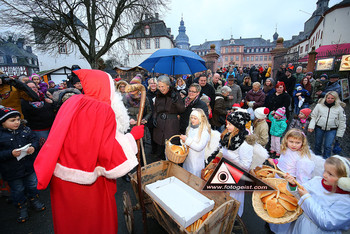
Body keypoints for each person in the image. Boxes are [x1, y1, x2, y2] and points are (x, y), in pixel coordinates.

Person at [34, 69, 144, 234]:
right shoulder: (101, 109)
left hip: (63, 177)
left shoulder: (74, 101)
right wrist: (132, 137)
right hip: (89, 184)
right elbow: (107, 152)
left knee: (70, 223)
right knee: (93, 223)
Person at [0, 107, 45, 223]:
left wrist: (33, 147)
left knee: (32, 185)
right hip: (12, 170)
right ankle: (22, 207)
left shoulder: (25, 130)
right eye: (12, 120)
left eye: (18, 119)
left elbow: (34, 139)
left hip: (28, 166)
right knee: (18, 190)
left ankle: (34, 200)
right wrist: (10, 153)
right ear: (2, 122)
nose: (17, 122)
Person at [284, 155, 350, 233]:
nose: (324, 175)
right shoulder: (317, 181)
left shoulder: (345, 201)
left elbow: (327, 223)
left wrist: (307, 197)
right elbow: (300, 195)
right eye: (325, 170)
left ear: (344, 180)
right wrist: (293, 185)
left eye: (330, 174)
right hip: (301, 223)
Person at [220, 111, 253, 217]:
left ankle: (235, 217)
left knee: (234, 197)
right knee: (226, 196)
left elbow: (246, 165)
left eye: (229, 124)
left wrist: (231, 162)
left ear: (237, 126)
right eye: (227, 123)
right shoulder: (230, 136)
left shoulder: (244, 144)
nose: (226, 125)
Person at [153, 75, 185, 159]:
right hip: (160, 124)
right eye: (159, 86)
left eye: (162, 86)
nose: (161, 88)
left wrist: (175, 101)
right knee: (160, 147)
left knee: (170, 147)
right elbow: (156, 109)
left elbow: (182, 109)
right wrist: (154, 117)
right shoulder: (158, 95)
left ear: (168, 85)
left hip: (171, 125)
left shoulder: (175, 95)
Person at [308, 91, 346, 159]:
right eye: (328, 98)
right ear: (325, 98)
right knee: (317, 144)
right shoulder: (319, 106)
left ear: (335, 99)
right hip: (319, 127)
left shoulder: (339, 108)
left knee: (328, 146)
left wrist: (339, 134)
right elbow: (314, 116)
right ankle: (317, 158)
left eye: (332, 98)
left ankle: (326, 159)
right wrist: (311, 126)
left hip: (332, 129)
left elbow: (342, 121)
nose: (330, 99)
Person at [21, 81, 56, 147]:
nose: (32, 89)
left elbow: (54, 109)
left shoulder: (44, 97)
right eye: (29, 87)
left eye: (34, 87)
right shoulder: (24, 101)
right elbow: (25, 116)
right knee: (46, 147)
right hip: (38, 130)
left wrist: (52, 102)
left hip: (52, 127)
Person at [180, 109, 211, 177]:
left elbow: (199, 147)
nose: (192, 120)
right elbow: (187, 143)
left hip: (196, 163)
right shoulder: (189, 128)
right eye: (191, 118)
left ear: (200, 119)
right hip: (188, 160)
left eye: (195, 118)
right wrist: (183, 141)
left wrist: (187, 140)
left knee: (193, 180)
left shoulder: (204, 132)